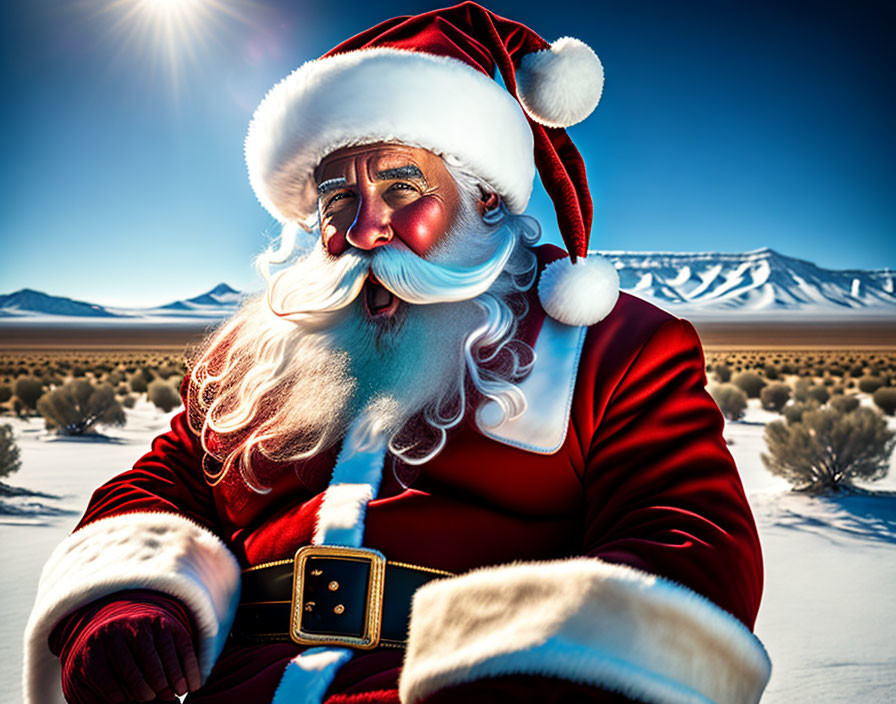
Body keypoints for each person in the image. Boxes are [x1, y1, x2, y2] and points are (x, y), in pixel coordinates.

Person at [24, 4, 771, 703]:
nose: (364, 227)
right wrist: (128, 594)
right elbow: (167, 483)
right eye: (337, 199)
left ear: (486, 199)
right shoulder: (255, 360)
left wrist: (540, 675)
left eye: (401, 187)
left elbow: (688, 538)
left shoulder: (614, 346)